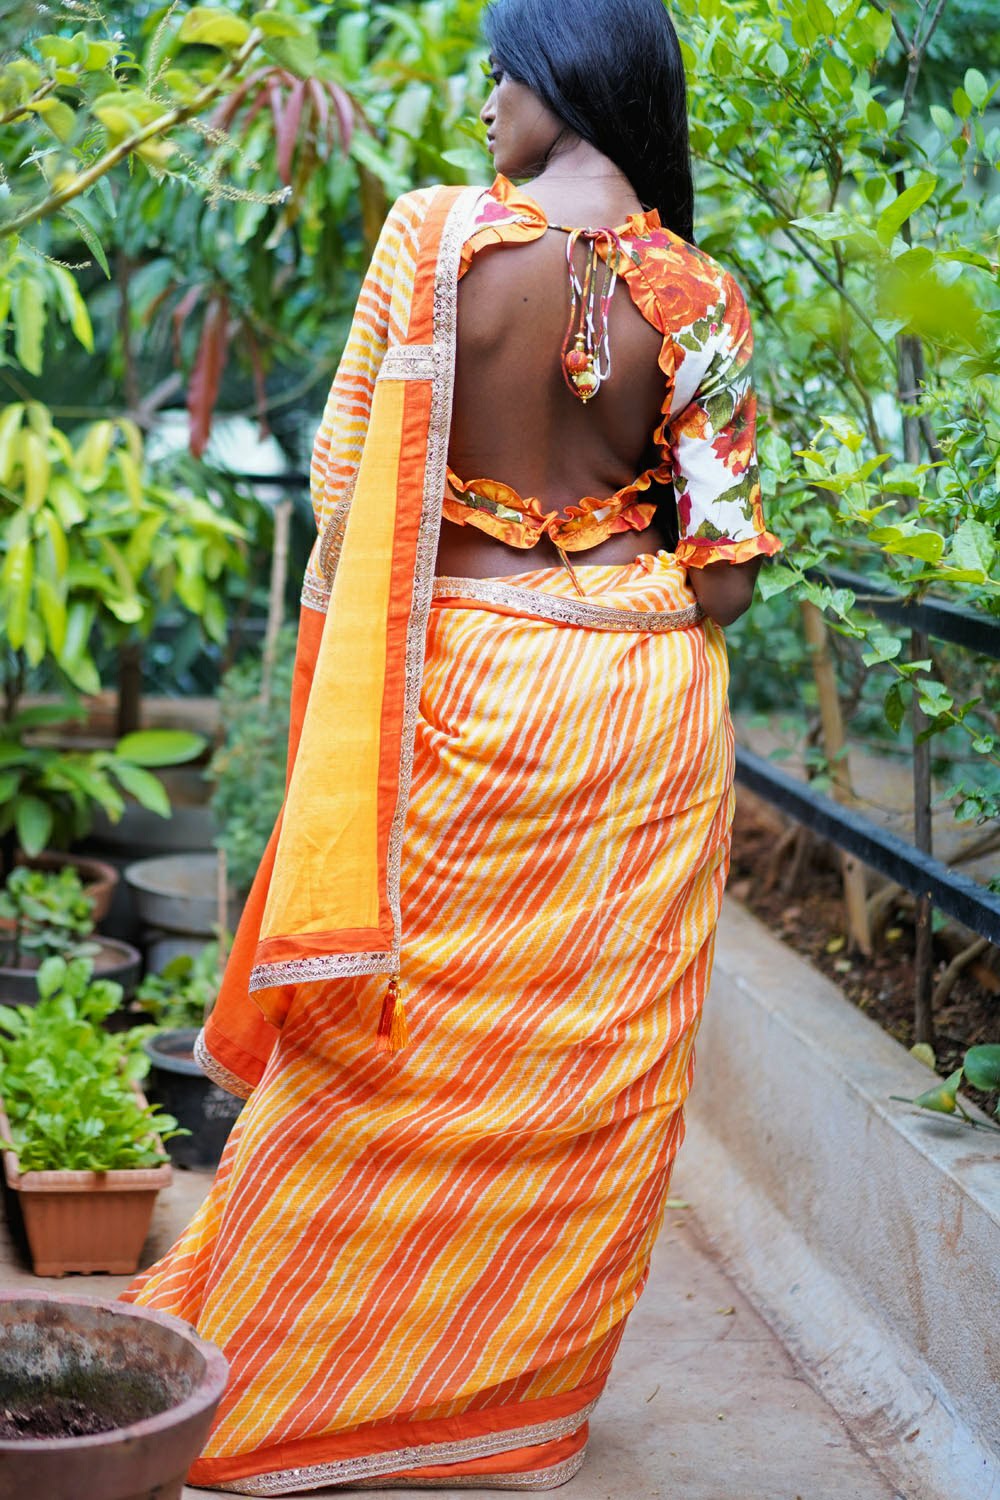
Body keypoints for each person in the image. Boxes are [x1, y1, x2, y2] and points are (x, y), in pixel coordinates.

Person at [122, 0, 780, 1491]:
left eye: (503, 73)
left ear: (562, 81)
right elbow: (728, 575)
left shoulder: (435, 248)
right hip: (637, 706)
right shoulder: (704, 295)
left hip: (462, 696)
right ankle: (507, 1406)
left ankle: (296, 1377)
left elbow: (353, 516)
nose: (489, 104)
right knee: (580, 1076)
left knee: (378, 1048)